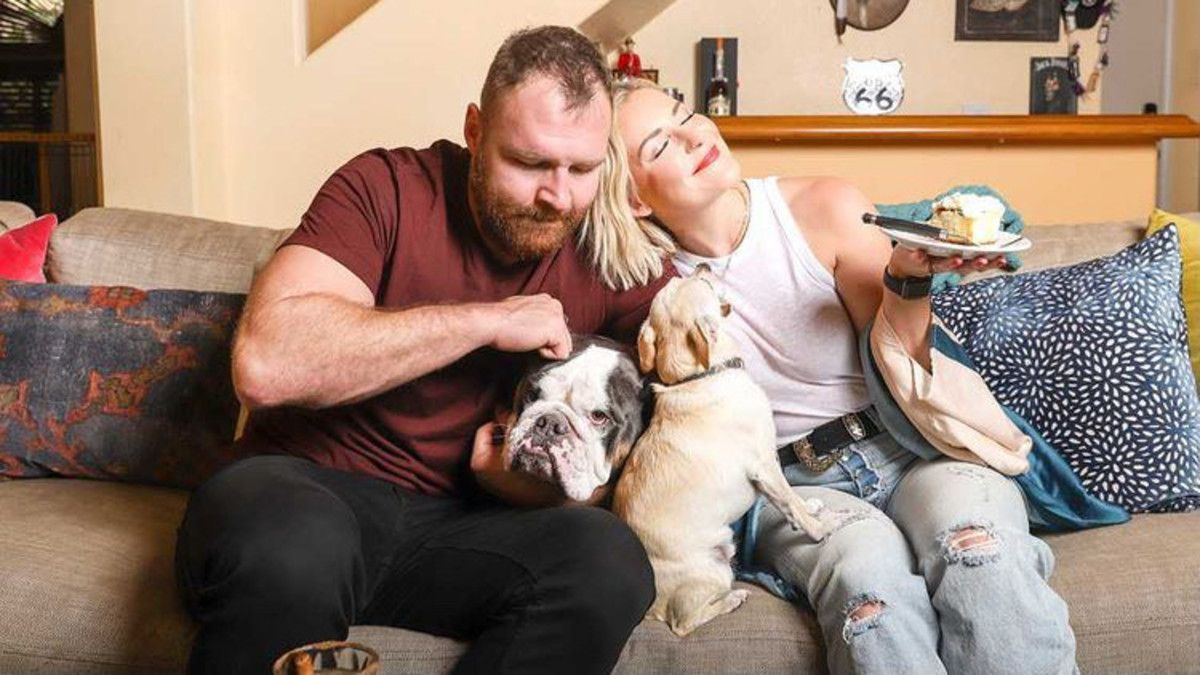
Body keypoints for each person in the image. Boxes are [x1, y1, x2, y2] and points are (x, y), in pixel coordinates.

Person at [174, 27, 672, 675]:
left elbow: (717, 365)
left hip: (467, 531)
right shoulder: (384, 188)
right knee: (296, 543)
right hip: (302, 491)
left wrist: (548, 485)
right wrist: (485, 322)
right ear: (474, 130)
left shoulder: (602, 244)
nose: (558, 195)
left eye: (581, 168)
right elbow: (267, 363)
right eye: (529, 163)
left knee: (607, 558)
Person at [588, 78, 1079, 674]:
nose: (693, 136)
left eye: (685, 112)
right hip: (795, 483)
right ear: (636, 199)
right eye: (660, 146)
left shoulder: (823, 207)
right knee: (871, 598)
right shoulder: (643, 292)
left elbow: (907, 364)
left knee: (981, 552)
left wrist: (908, 277)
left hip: (907, 448)